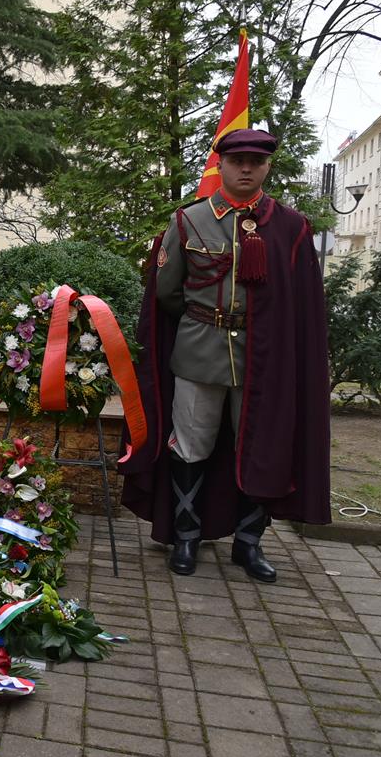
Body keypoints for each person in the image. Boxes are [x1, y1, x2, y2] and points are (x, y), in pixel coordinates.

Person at [120, 128, 331, 583]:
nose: (247, 169)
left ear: (268, 166)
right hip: (199, 353)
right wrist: (207, 322)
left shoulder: (291, 228)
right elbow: (167, 293)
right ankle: (187, 534)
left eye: (257, 162)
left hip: (266, 361)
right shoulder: (189, 221)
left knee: (261, 447)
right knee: (190, 446)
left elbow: (301, 303)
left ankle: (249, 542)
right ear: (221, 165)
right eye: (238, 161)